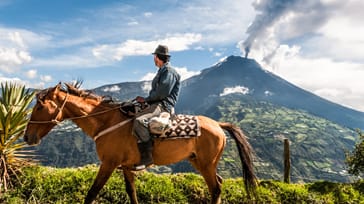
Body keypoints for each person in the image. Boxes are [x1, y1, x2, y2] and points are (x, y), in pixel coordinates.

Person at [133, 45, 181, 170]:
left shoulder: (169, 72)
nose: (154, 59)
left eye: (154, 57)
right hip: (156, 103)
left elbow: (162, 93)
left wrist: (146, 100)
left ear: (157, 57)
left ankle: (147, 157)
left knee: (139, 121)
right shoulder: (163, 70)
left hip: (163, 105)